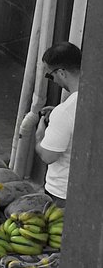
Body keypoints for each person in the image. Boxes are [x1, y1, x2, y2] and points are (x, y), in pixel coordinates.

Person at [33, 41, 81, 207]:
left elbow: (48, 156)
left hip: (62, 194)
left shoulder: (65, 112)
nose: (53, 80)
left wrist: (39, 137)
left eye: (50, 75)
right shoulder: (90, 99)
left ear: (61, 72)